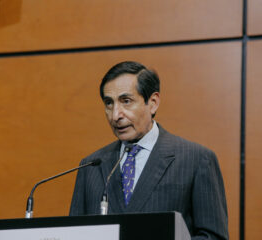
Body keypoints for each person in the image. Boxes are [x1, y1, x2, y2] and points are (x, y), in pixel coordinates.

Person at [70, 61, 228, 240]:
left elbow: (213, 237)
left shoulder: (197, 160)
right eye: (109, 103)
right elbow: (74, 233)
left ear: (152, 103)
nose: (116, 115)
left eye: (126, 101)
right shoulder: (91, 166)